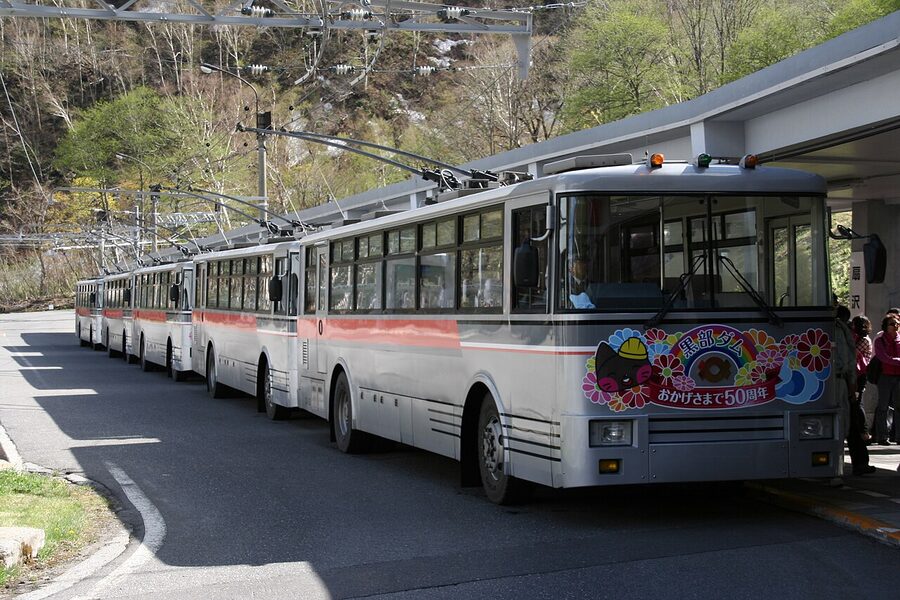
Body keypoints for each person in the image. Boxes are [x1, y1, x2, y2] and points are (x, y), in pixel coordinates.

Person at [835, 306, 875, 475]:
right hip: (843, 381)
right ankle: (858, 463)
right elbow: (849, 359)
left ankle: (853, 464)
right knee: (852, 424)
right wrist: (852, 384)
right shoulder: (842, 330)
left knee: (850, 424)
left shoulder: (840, 329)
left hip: (839, 381)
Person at [873, 314, 900, 445]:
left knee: (899, 407)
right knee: (883, 407)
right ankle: (882, 436)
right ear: (885, 326)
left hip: (898, 377)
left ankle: (898, 436)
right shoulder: (880, 341)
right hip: (885, 376)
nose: (895, 326)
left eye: (897, 324)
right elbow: (883, 357)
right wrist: (898, 361)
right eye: (892, 324)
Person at [851, 315, 873, 443]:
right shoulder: (859, 338)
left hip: (860, 375)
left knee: (858, 403)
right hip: (856, 374)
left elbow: (853, 353)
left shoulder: (864, 340)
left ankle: (864, 431)